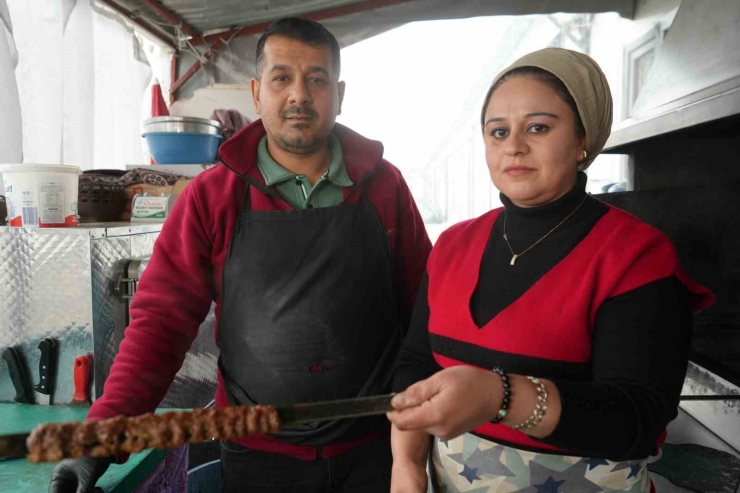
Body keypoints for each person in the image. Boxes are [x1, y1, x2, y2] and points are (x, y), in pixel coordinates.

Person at [49, 17, 431, 493]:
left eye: (317, 79)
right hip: (258, 458)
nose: (299, 95)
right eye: (282, 78)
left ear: (340, 93)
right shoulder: (212, 196)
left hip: (377, 451)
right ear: (256, 92)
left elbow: (424, 311)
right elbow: (159, 325)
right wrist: (100, 439)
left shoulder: (385, 186)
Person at [387, 48, 714, 493]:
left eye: (538, 127)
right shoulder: (452, 245)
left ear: (583, 138)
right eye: (498, 131)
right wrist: (406, 463)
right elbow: (414, 364)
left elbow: (636, 417)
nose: (514, 146)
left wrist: (499, 397)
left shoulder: (634, 255)